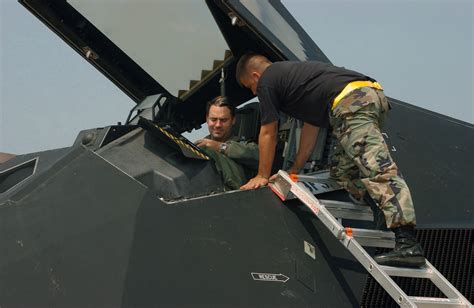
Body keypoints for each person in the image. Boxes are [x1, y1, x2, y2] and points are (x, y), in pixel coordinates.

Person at [236, 53, 425, 268]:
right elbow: (311, 128)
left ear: (255, 75)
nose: (253, 92)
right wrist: (295, 168)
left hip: (353, 102)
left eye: (249, 86)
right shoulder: (295, 81)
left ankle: (408, 242)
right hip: (365, 97)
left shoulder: (267, 80)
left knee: (377, 169)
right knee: (343, 172)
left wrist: (261, 175)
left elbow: (268, 130)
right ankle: (382, 212)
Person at [196, 96, 259, 190]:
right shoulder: (198, 147)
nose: (217, 125)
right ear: (207, 119)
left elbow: (259, 156)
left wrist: (220, 147)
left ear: (233, 120)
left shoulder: (245, 146)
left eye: (223, 120)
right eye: (213, 119)